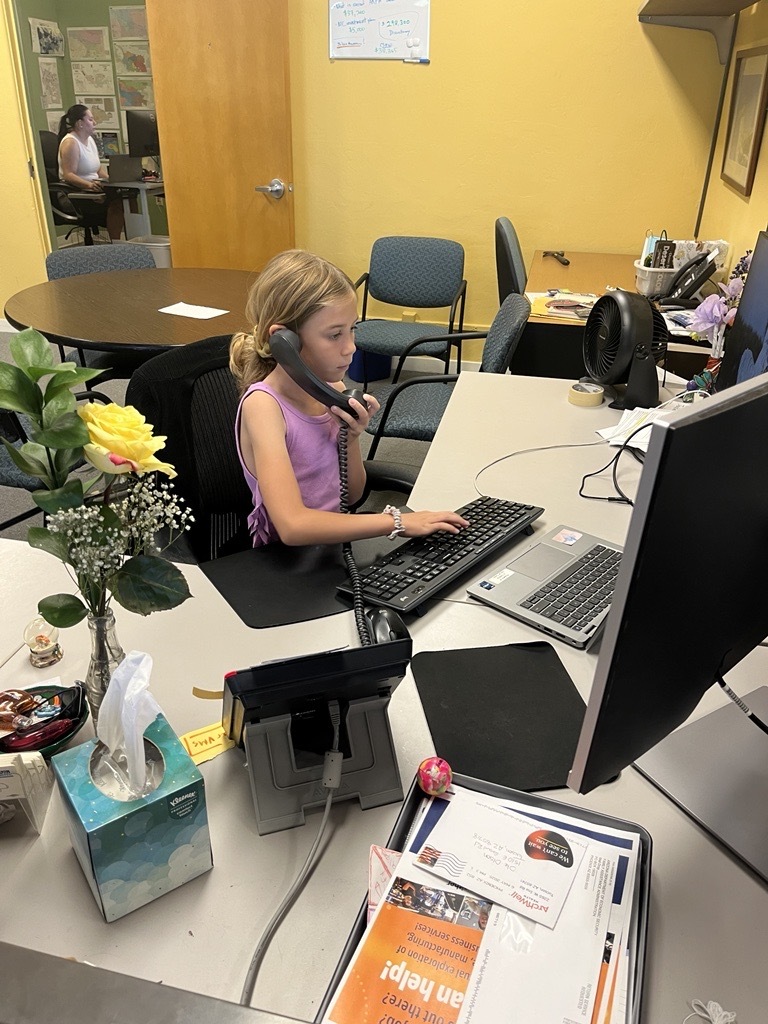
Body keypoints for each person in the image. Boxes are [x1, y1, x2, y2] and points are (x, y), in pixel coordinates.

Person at [229, 249, 469, 547]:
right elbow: (292, 527)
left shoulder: (335, 390)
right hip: (287, 563)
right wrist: (397, 522)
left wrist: (352, 437)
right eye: (334, 335)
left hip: (331, 545)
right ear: (283, 341)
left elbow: (353, 495)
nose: (350, 348)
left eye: (352, 329)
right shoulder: (264, 407)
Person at [57, 104, 123, 240]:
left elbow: (97, 169)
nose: (95, 123)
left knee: (127, 195)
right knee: (117, 202)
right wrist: (89, 185)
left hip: (94, 188)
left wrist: (112, 181)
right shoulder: (71, 143)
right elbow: (68, 174)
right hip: (76, 193)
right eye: (91, 119)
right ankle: (117, 245)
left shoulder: (90, 140)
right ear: (80, 123)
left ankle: (130, 243)